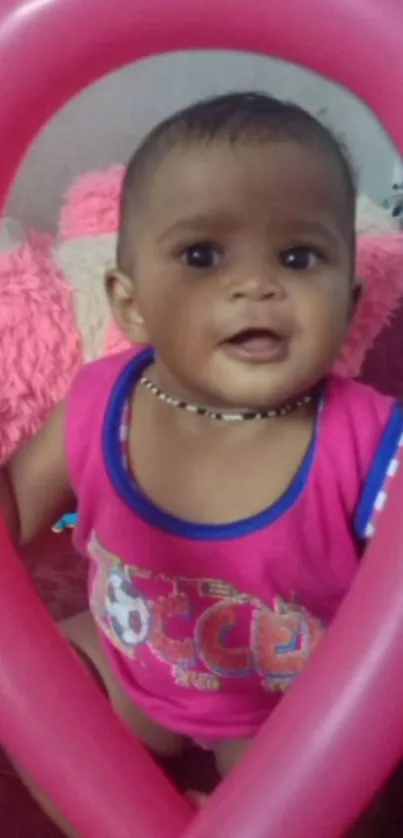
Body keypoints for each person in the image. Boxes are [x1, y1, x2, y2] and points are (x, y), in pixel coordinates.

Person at [1, 92, 401, 837]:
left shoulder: (370, 437)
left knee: (354, 779)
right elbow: (17, 511)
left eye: (297, 256)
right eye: (200, 256)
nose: (254, 285)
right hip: (124, 664)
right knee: (25, 691)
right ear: (131, 304)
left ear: (348, 303)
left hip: (282, 709)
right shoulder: (99, 403)